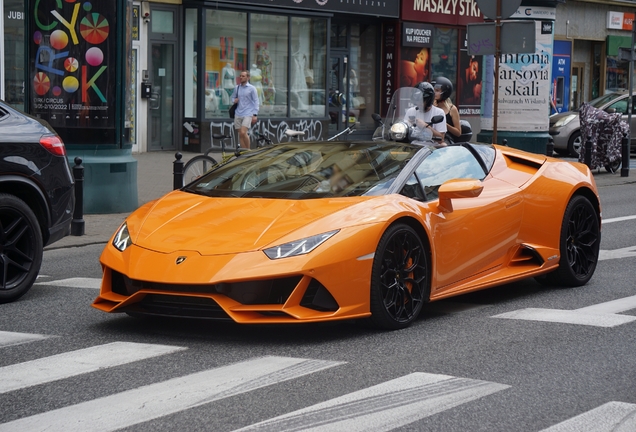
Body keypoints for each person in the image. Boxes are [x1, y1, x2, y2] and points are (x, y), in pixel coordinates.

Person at [231, 70, 259, 149]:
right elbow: (232, 98)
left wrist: (255, 114)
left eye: (243, 76)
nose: (241, 77)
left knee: (243, 132)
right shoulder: (237, 87)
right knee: (240, 134)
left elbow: (256, 101)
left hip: (248, 113)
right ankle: (244, 153)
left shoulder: (252, 88)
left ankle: (248, 150)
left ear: (248, 77)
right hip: (238, 113)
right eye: (240, 76)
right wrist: (234, 100)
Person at [432, 76, 461, 142]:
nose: (434, 93)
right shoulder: (430, 107)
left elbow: (458, 132)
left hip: (446, 141)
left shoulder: (452, 109)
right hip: (430, 140)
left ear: (445, 92)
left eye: (437, 90)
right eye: (433, 90)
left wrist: (444, 124)